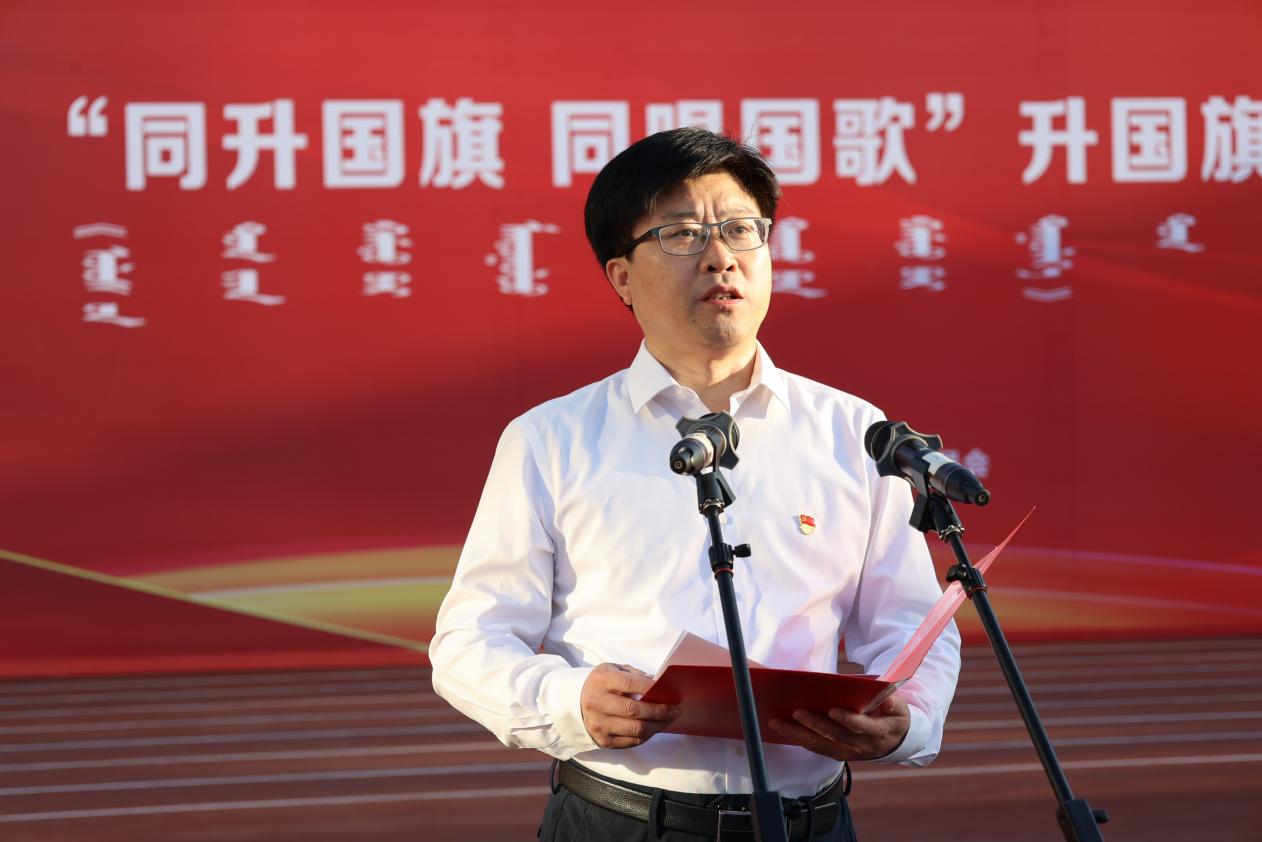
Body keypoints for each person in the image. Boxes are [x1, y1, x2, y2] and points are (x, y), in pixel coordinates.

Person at [430, 127, 961, 841]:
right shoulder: (551, 439)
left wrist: (908, 722)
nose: (721, 257)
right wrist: (568, 700)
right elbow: (471, 640)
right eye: (681, 234)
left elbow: (910, 625)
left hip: (812, 821)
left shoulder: (853, 432)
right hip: (621, 821)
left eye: (742, 230)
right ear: (622, 277)